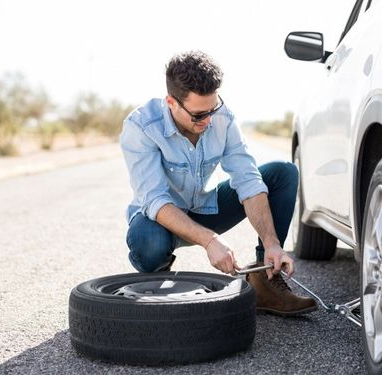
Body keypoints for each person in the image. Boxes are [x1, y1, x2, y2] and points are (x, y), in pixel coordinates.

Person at [119, 51, 316, 316]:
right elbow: (155, 200)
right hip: (160, 221)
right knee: (149, 242)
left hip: (204, 207)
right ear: (171, 102)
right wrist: (210, 241)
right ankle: (157, 282)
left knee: (283, 173)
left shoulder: (222, 117)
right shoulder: (141, 126)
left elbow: (247, 180)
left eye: (212, 109)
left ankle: (265, 282)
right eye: (199, 115)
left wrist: (272, 243)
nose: (208, 120)